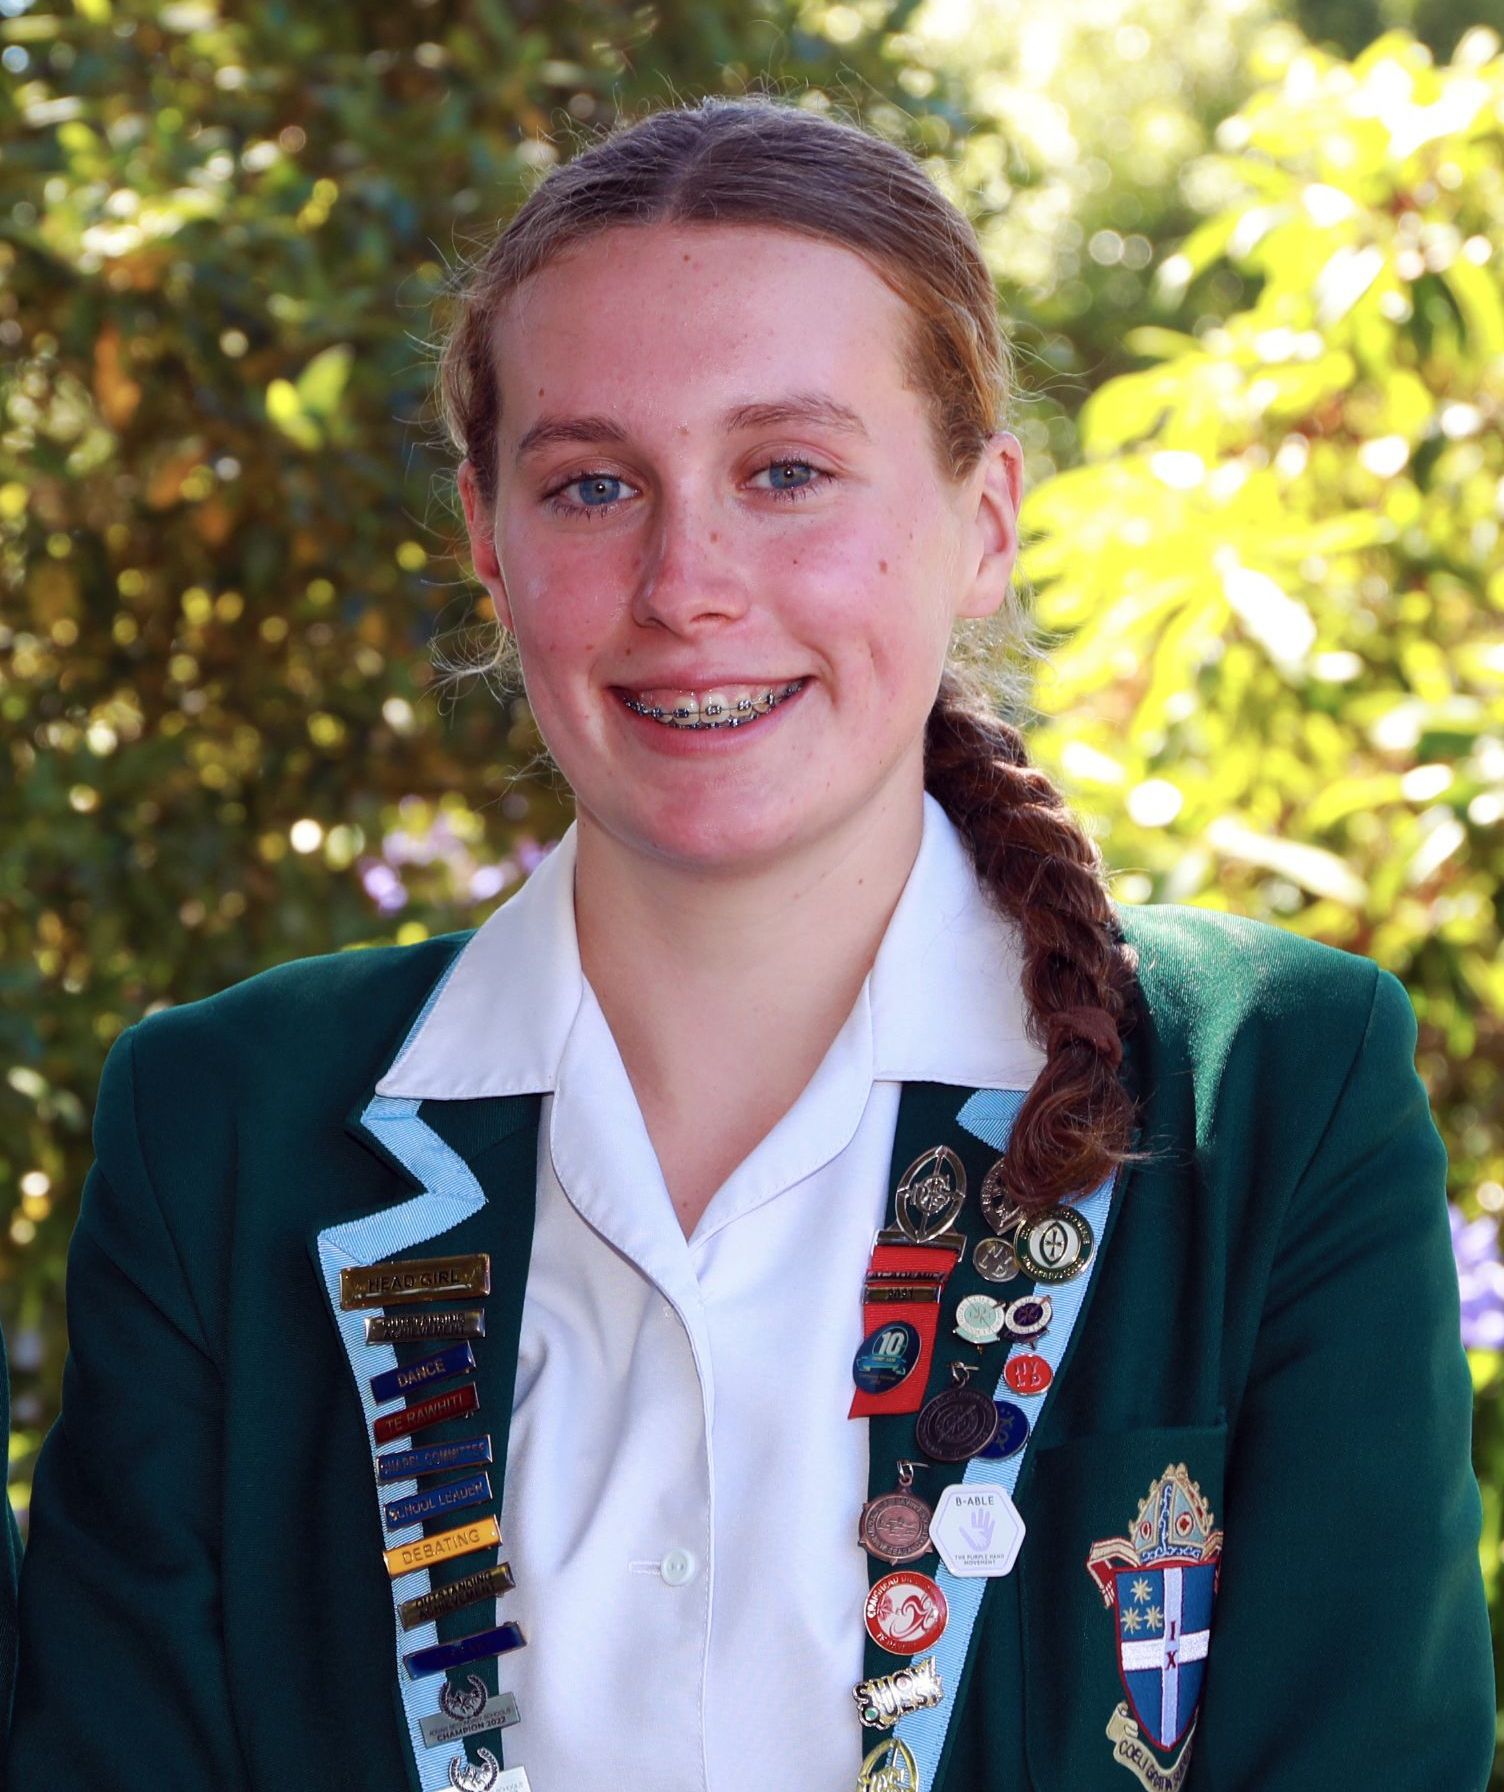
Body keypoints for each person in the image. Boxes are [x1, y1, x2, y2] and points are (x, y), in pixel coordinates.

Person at [5, 93, 1493, 1792]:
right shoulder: (225, 1134)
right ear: (488, 545)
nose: (688, 579)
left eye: (787, 471)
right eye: (589, 486)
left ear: (985, 522)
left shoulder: (1272, 1096)